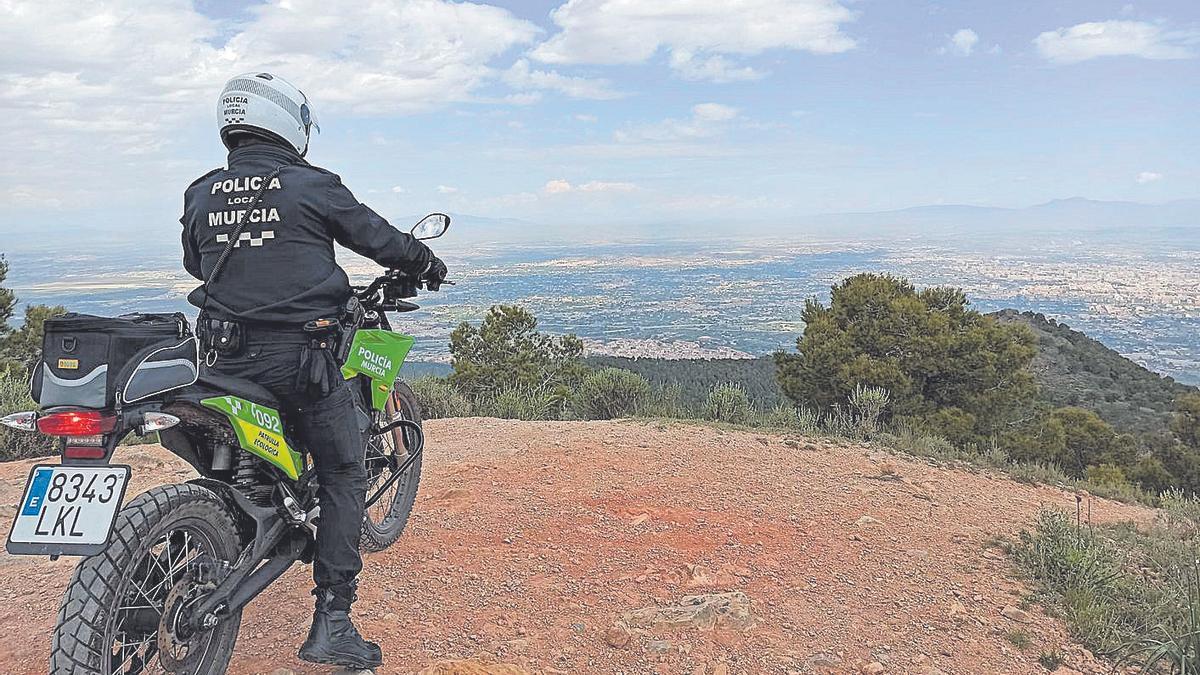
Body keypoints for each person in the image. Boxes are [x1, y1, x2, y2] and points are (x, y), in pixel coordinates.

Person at [179, 72, 447, 669]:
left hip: (219, 357)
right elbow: (379, 239)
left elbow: (198, 263)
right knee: (346, 471)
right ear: (288, 122)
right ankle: (334, 620)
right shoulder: (311, 185)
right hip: (299, 360)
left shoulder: (201, 192)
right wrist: (425, 259)